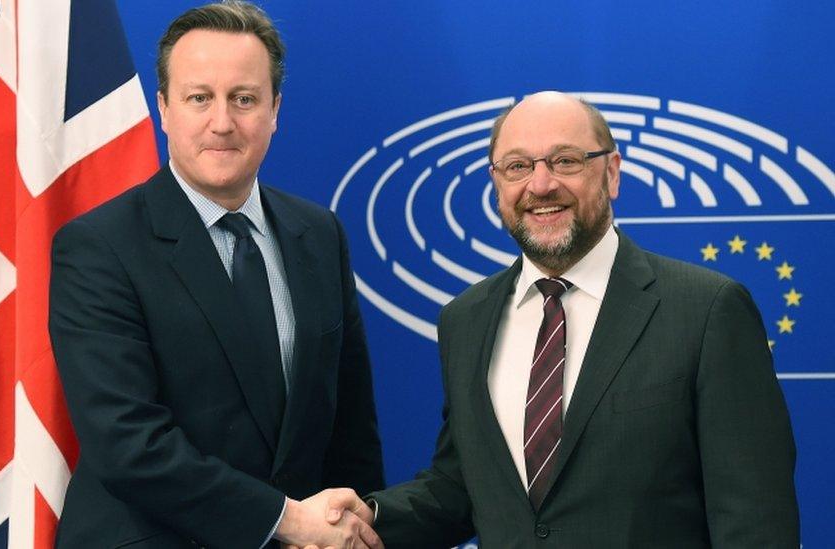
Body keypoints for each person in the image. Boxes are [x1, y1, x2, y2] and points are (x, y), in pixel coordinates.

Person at [313, 91, 799, 548]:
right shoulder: (465, 321)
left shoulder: (707, 310)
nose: (540, 185)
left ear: (611, 172)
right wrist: (372, 517)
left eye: (566, 160)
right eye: (518, 166)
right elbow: (462, 485)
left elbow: (755, 520)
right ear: (497, 184)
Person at [47, 2, 384, 547]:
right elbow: (128, 445)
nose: (222, 122)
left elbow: (349, 429)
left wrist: (353, 529)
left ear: (275, 109)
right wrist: (289, 521)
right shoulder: (98, 248)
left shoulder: (319, 234)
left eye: (244, 99)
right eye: (199, 97)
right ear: (164, 107)